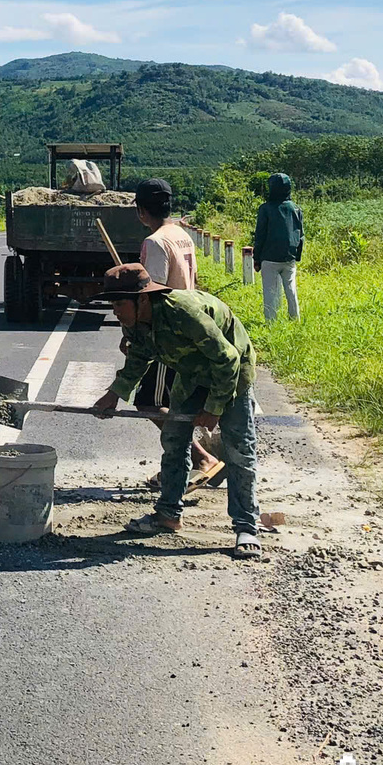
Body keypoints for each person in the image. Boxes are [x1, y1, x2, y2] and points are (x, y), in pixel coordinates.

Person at [90, 263, 263, 556]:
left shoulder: (183, 313)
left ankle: (246, 527)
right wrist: (114, 393)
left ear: (142, 299)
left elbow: (228, 359)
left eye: (119, 304)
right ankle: (168, 515)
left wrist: (214, 407)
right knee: (173, 439)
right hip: (191, 373)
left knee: (238, 449)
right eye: (113, 304)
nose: (115, 311)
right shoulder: (133, 321)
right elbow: (139, 356)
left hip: (231, 374)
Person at [132, 178, 224, 490]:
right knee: (175, 402)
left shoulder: (155, 243)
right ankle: (181, 465)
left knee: (148, 402)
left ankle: (199, 459)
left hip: (168, 335)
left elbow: (153, 295)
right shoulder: (182, 235)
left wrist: (138, 336)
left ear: (142, 211)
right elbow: (194, 282)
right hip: (189, 327)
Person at [250, 172, 304, 323]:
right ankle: (295, 320)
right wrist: (296, 255)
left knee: (270, 292)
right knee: (291, 291)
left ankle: (271, 323)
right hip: (289, 257)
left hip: (269, 258)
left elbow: (260, 234)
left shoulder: (265, 209)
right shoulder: (296, 209)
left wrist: (257, 258)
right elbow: (301, 235)